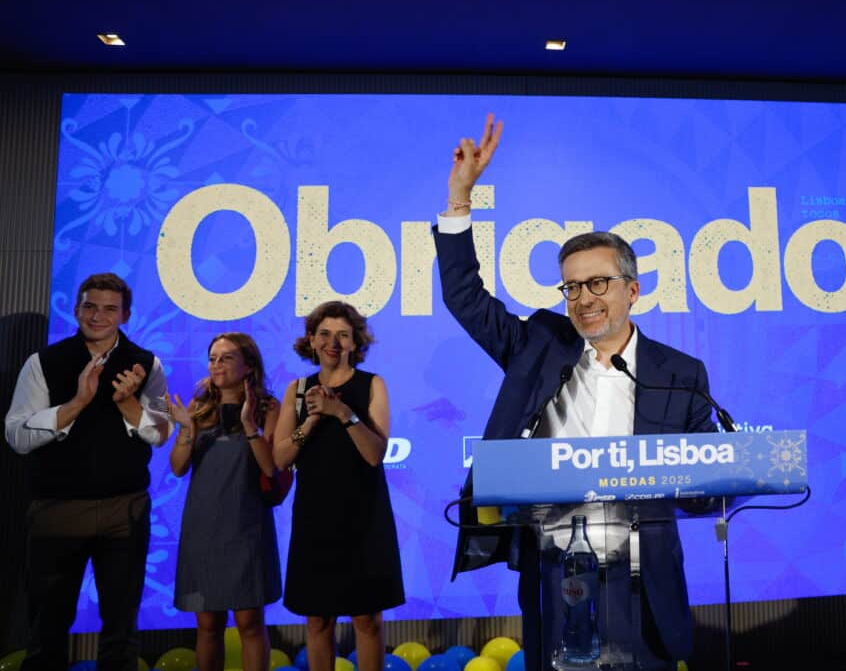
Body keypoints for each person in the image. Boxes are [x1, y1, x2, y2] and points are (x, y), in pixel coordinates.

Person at [434, 114, 718, 670]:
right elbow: (466, 298)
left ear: (632, 290)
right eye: (571, 286)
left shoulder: (681, 372)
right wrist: (460, 199)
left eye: (598, 283)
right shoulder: (540, 345)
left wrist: (713, 481)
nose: (583, 298)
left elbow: (704, 485)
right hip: (556, 576)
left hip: (643, 584)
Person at [4, 272, 173, 671]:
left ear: (125, 315)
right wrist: (77, 403)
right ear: (77, 308)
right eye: (89, 306)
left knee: (121, 630)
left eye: (109, 308)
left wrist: (127, 402)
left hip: (124, 509)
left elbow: (161, 432)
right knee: (47, 627)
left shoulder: (147, 363)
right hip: (56, 510)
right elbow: (17, 436)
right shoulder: (43, 363)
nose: (98, 316)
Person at [273, 301, 405, 671]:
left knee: (367, 619)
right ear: (311, 341)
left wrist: (342, 414)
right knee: (317, 619)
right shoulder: (297, 391)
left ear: (354, 342)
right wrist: (312, 422)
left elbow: (375, 454)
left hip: (364, 517)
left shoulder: (371, 385)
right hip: (315, 518)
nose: (333, 342)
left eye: (342, 335)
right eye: (325, 334)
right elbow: (281, 458)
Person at [167, 332, 282, 671]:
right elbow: (177, 467)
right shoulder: (199, 406)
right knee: (207, 625)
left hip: (246, 526)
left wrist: (248, 424)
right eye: (213, 358)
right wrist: (187, 429)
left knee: (249, 622)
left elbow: (271, 467)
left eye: (226, 357)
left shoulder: (267, 408)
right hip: (202, 529)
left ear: (248, 366)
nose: (216, 364)